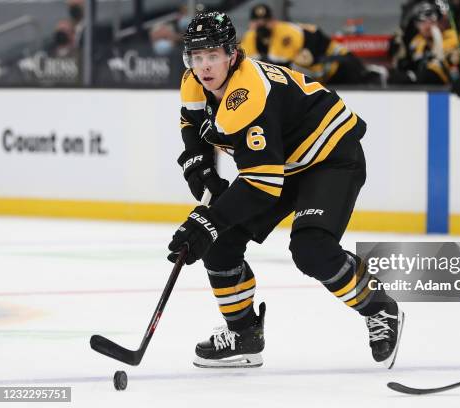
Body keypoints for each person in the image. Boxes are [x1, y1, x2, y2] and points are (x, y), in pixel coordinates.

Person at [168, 11, 404, 369]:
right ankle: (244, 335)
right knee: (220, 244)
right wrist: (197, 164)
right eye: (197, 57)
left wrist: (208, 220)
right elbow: (193, 123)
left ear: (232, 54)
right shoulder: (193, 81)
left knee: (312, 249)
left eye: (213, 55)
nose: (204, 66)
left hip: (331, 156)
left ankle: (379, 308)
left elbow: (263, 185)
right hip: (284, 162)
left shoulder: (246, 96)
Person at [241, 3, 379, 85]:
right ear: (250, 24)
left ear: (273, 21)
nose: (262, 26)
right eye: (257, 22)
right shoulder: (249, 39)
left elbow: (281, 68)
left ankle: (378, 74)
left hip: (340, 67)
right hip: (319, 79)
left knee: (365, 79)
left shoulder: (287, 33)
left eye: (266, 21)